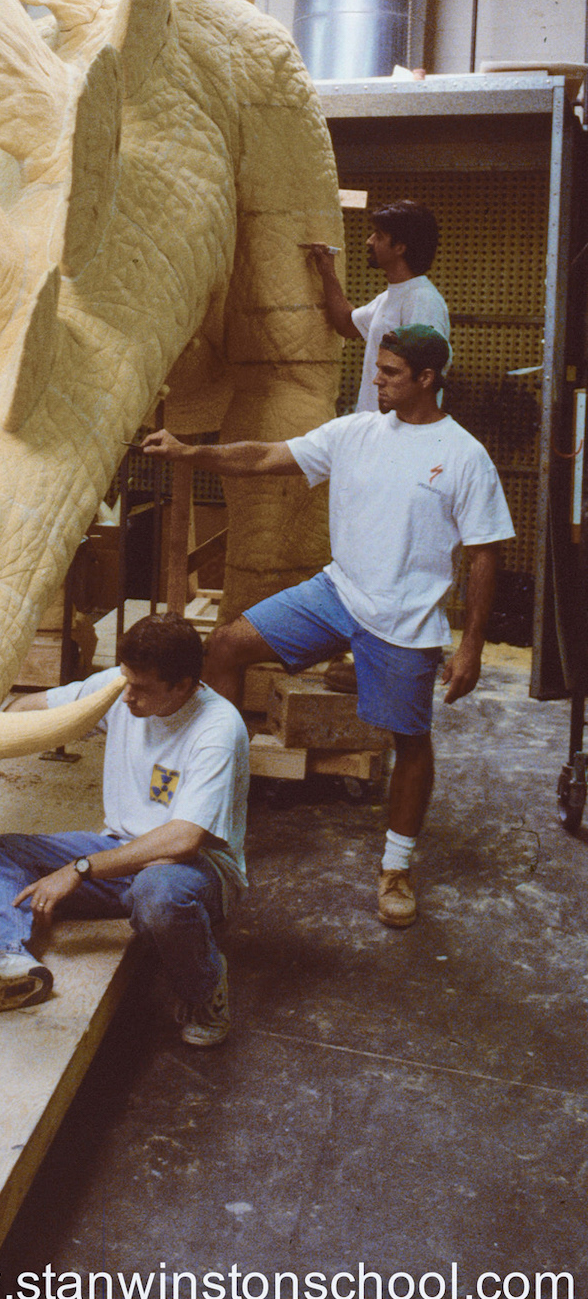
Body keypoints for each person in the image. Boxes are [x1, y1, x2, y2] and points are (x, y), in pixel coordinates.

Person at [143, 325, 514, 932]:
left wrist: (470, 646)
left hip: (406, 618)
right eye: (378, 368)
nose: (376, 379)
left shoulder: (465, 455)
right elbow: (263, 455)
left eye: (390, 372)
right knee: (227, 647)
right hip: (336, 591)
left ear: (427, 378)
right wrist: (191, 452)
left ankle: (396, 867)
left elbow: (484, 555)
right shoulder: (356, 431)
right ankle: (213, 813)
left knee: (409, 738)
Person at [0, 613, 249, 1048]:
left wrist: (79, 868)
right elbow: (33, 708)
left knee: (159, 893)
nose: (127, 697)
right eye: (124, 681)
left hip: (194, 869)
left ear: (183, 685)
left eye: (141, 689)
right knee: (2, 852)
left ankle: (205, 990)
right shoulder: (121, 689)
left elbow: (184, 838)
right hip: (120, 852)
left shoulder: (218, 727)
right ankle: (5, 963)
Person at [306, 198, 451, 412]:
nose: (369, 241)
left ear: (400, 247)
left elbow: (425, 376)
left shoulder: (422, 300)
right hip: (375, 429)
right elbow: (346, 324)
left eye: (379, 236)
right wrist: (327, 272)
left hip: (397, 435)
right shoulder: (389, 297)